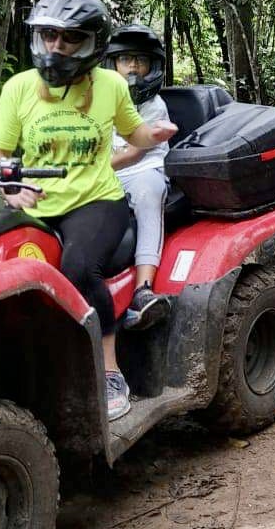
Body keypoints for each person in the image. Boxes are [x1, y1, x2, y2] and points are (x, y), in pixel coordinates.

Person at [0, 0, 178, 421]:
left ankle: (111, 372)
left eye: (69, 38)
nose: (57, 47)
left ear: (92, 42)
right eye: (49, 35)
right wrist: (9, 187)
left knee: (78, 268)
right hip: (36, 201)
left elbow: (135, 135)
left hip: (95, 198)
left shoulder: (109, 85)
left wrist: (155, 136)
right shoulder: (19, 88)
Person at [105, 24, 173, 331]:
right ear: (113, 64)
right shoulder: (98, 99)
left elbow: (134, 153)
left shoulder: (154, 106)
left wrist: (94, 169)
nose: (133, 66)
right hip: (104, 170)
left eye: (140, 60)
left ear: (152, 66)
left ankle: (143, 289)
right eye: (126, 59)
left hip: (143, 169)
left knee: (149, 193)